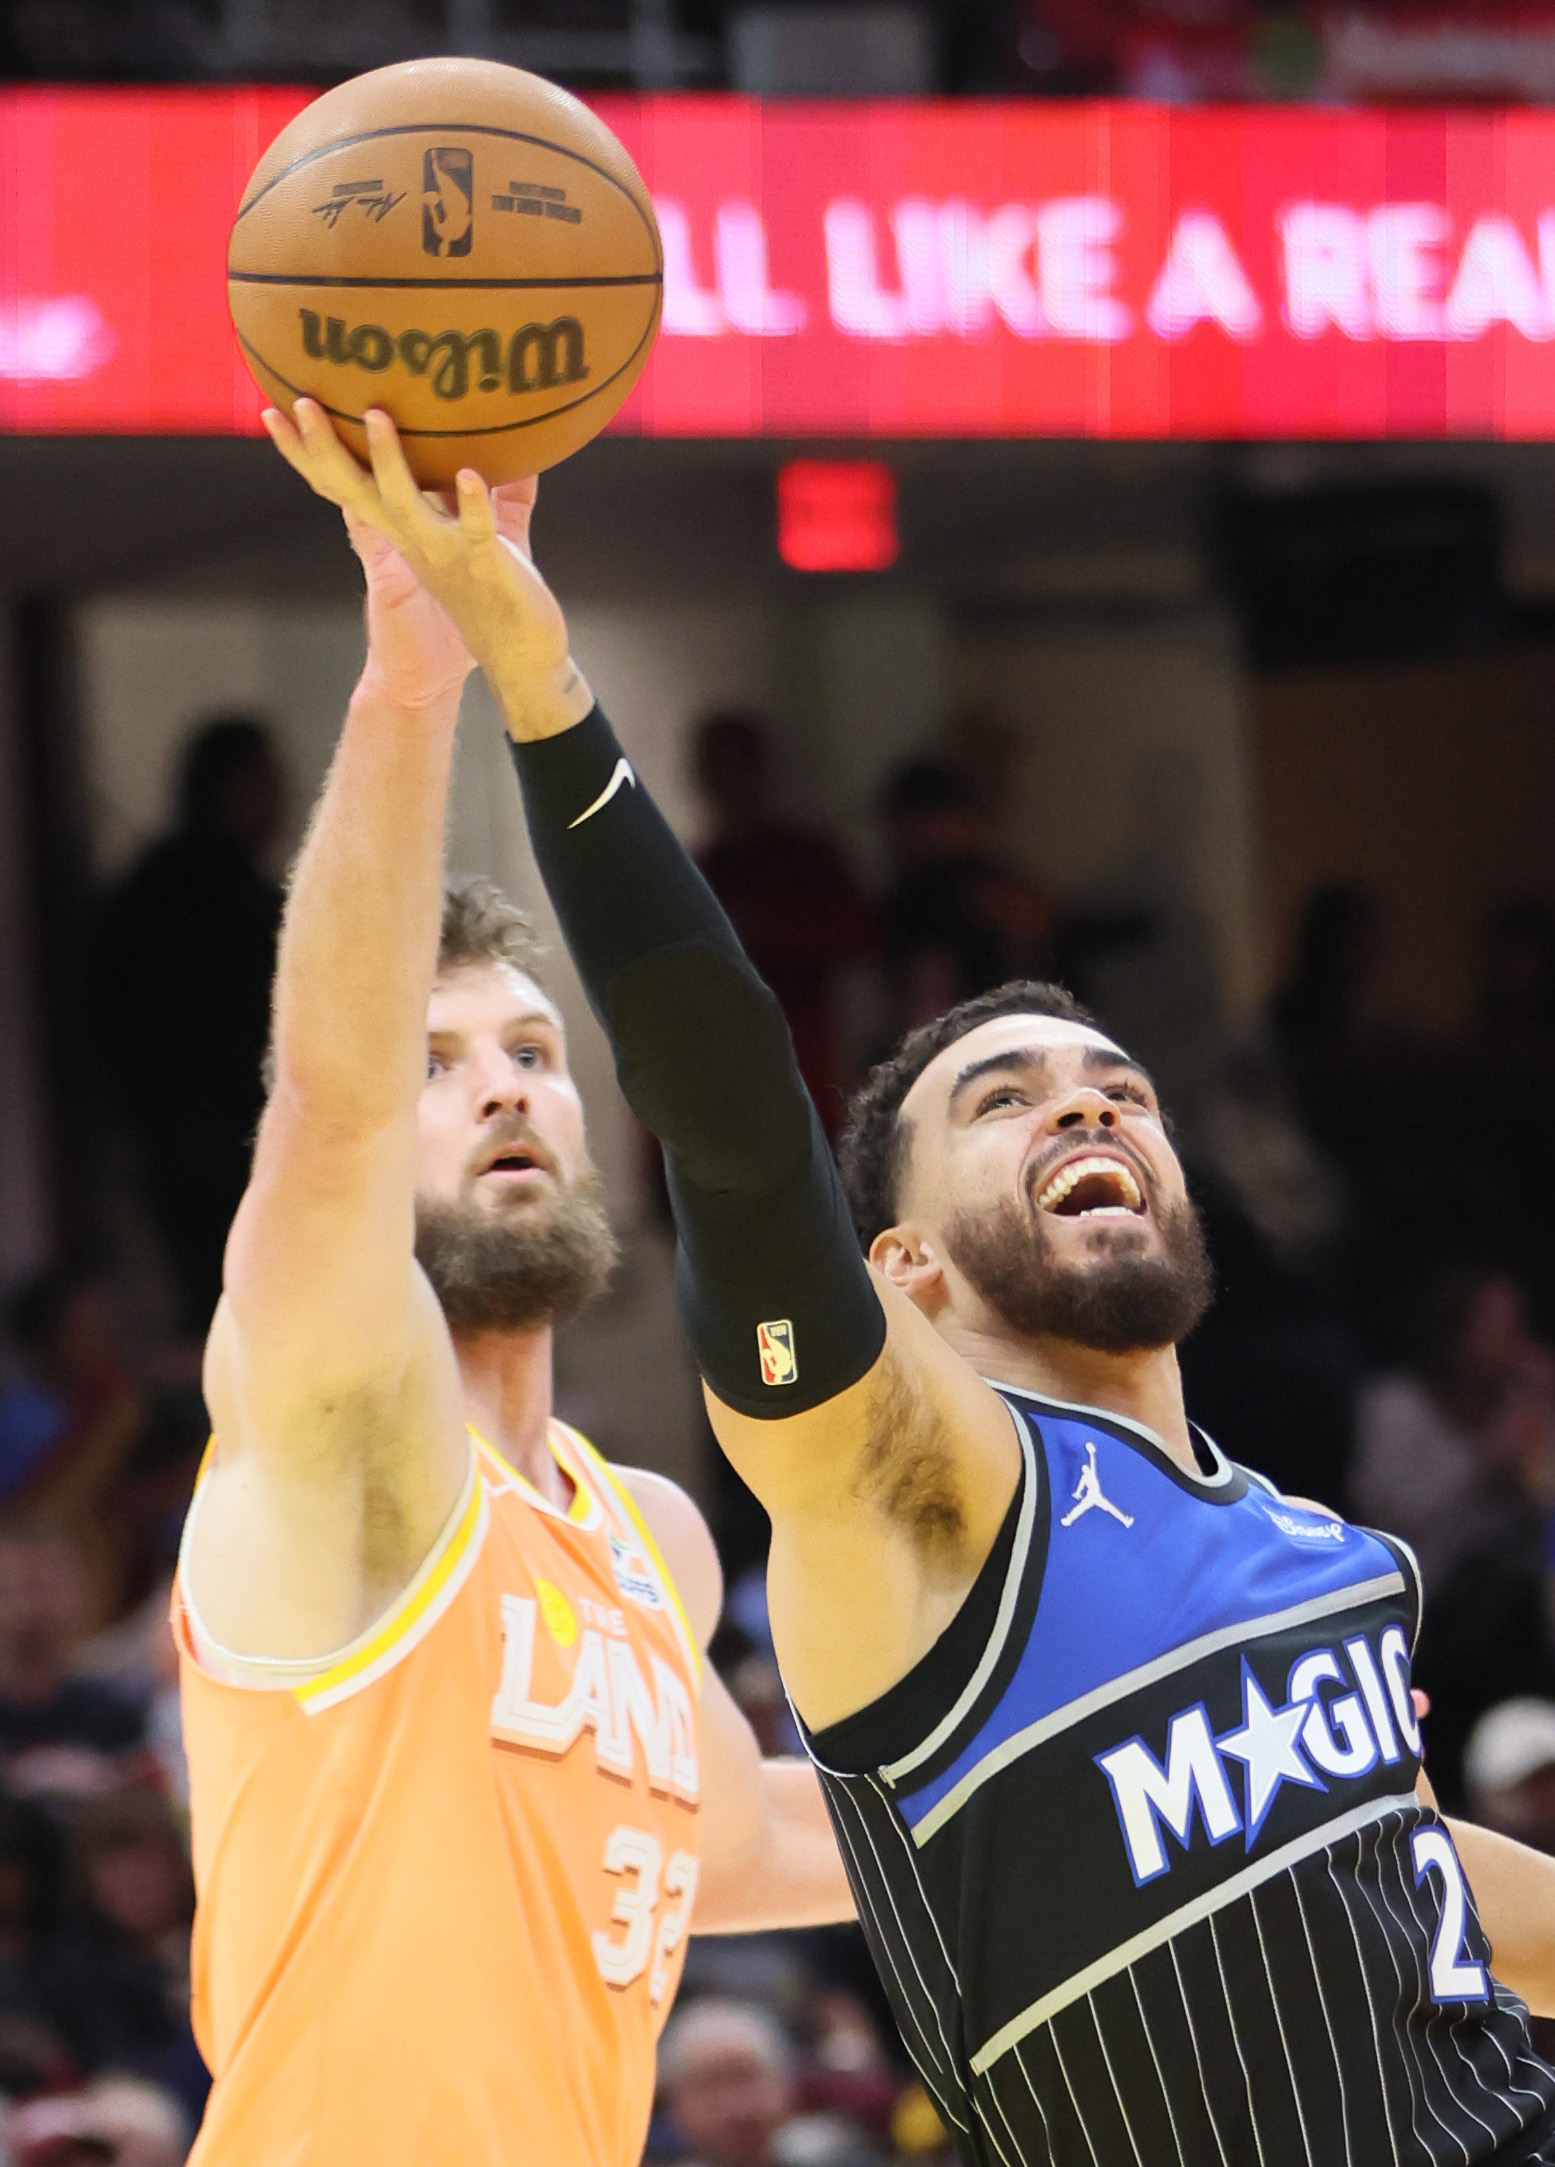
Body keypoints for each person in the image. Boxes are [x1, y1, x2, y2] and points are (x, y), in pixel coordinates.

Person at [266, 400, 1555, 2167]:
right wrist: (537, 683)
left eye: (1116, 1087)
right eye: (1002, 1096)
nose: (1085, 1100)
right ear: (904, 1266)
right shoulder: (923, 1489)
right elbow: (728, 1106)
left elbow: (1410, 1875)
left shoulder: (1331, 1562)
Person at [182, 405, 855, 2167]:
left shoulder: (648, 1535)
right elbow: (323, 1109)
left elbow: (742, 1851)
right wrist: (411, 680)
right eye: (443, 1060)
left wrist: (1143, 1778)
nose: (503, 1086)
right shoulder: (339, 1431)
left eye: (536, 1049)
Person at [99, 715, 286, 1333]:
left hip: (204, 1144)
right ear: (231, 784)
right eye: (266, 779)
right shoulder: (202, 894)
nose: (280, 796)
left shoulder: (177, 885)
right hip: (213, 1147)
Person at [693, 713, 875, 1137]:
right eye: (717, 769)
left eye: (736, 768)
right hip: (723, 1091)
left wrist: (766, 928)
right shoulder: (697, 870)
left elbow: (858, 933)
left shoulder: (805, 858)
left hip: (804, 1078)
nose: (727, 783)